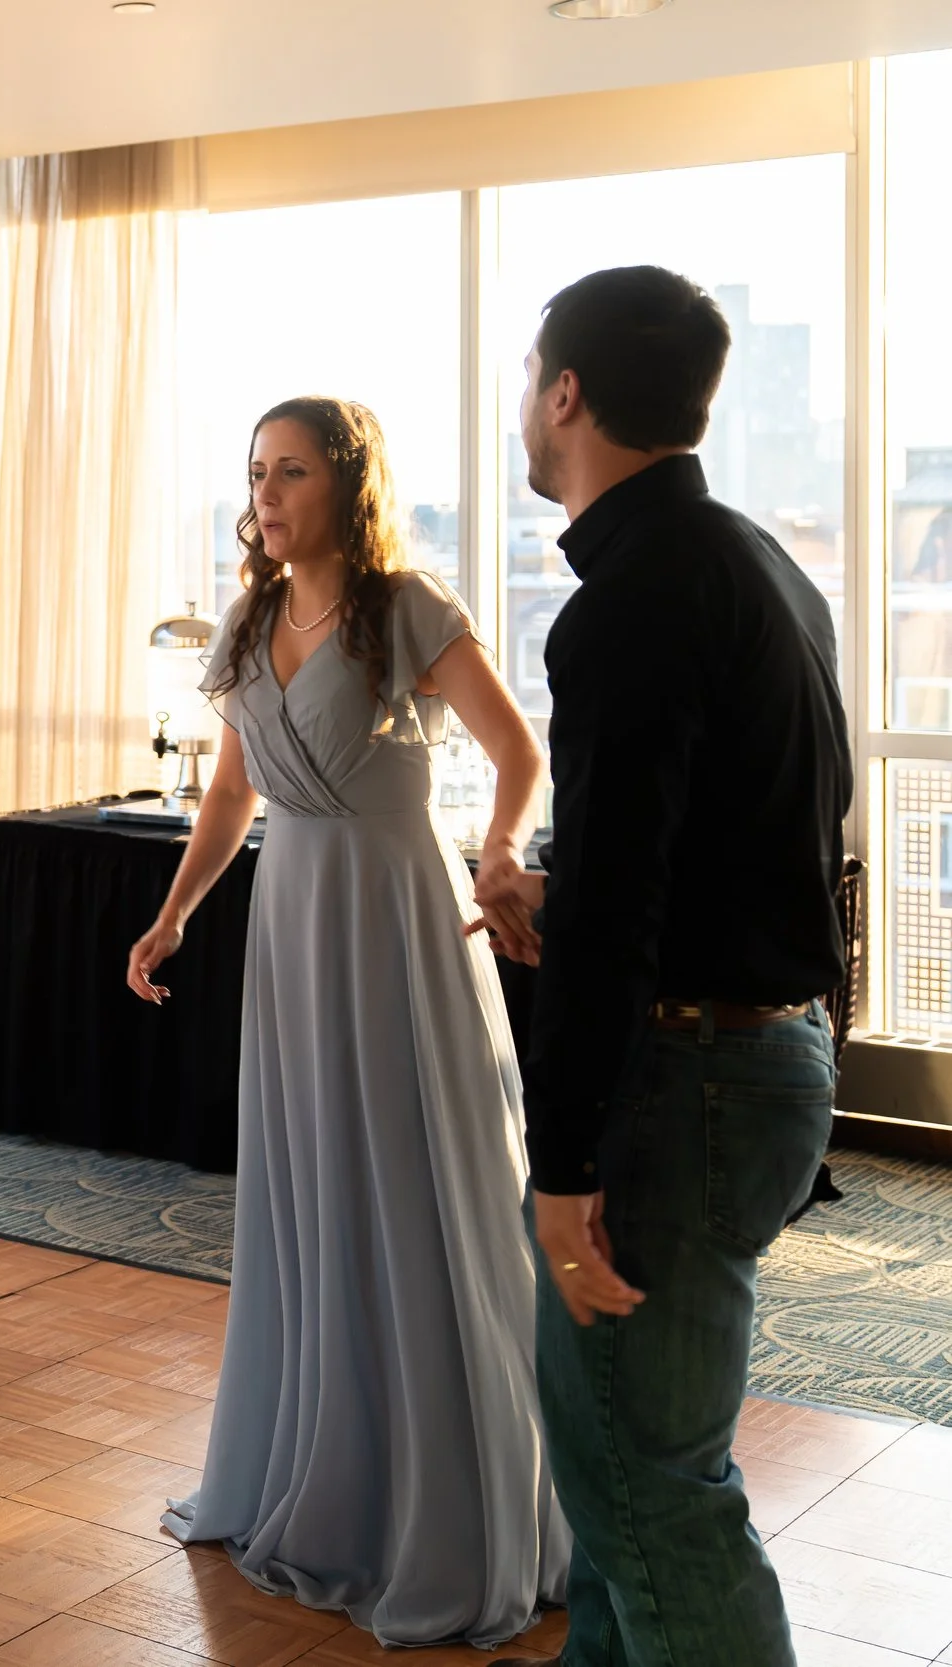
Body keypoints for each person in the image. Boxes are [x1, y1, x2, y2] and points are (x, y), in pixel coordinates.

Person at [127, 396, 569, 1648]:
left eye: (292, 470)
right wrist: (172, 915)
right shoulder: (251, 617)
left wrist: (495, 849)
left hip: (395, 911)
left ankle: (449, 1496)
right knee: (317, 1184)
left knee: (416, 1184)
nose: (267, 493)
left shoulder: (402, 608)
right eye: (255, 471)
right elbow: (229, 792)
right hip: (294, 912)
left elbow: (515, 746)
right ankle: (326, 1462)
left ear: (346, 482)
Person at [485, 268, 850, 1667]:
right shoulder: (760, 564)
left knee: (652, 1498)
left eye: (530, 375)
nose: (526, 402)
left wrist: (563, 1176)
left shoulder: (631, 598)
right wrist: (563, 895)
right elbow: (758, 846)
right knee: (616, 1494)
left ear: (567, 391)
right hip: (758, 1055)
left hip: (678, 1083)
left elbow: (630, 909)